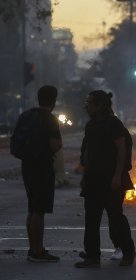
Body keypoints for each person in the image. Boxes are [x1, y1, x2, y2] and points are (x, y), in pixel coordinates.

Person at [75, 90, 136, 268]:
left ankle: (128, 252)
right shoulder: (91, 125)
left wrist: (117, 175)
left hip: (111, 180)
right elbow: (87, 151)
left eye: (89, 103)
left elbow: (122, 150)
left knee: (116, 218)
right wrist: (84, 175)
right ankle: (92, 256)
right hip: (93, 180)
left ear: (99, 105)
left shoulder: (114, 125)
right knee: (91, 219)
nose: (85, 106)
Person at [17, 85, 62, 262]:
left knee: (32, 208)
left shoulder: (27, 115)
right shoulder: (50, 119)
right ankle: (38, 251)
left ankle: (32, 248)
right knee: (39, 210)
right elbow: (55, 145)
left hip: (27, 166)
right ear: (54, 100)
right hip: (42, 167)